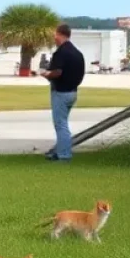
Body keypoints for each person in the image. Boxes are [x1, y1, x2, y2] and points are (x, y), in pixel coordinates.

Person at [40, 23, 85, 161]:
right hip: (72, 92)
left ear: (60, 34)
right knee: (62, 122)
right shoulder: (77, 53)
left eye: (55, 34)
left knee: (61, 125)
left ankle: (64, 155)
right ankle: (60, 151)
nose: (54, 37)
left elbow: (57, 72)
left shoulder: (61, 52)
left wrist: (46, 74)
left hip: (61, 92)